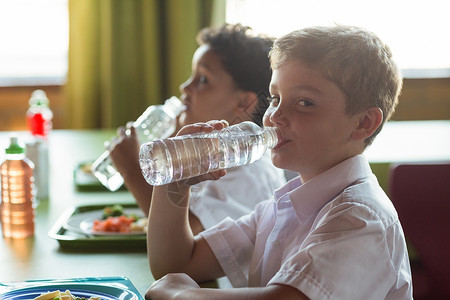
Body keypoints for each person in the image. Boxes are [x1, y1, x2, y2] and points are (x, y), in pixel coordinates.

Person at [145, 24, 413, 299]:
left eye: (305, 103)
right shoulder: (280, 209)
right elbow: (178, 262)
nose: (275, 115)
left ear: (363, 123)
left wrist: (181, 295)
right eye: (275, 98)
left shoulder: (361, 218)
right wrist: (174, 184)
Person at [108, 23, 286, 235]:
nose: (185, 87)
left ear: (244, 103)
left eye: (202, 80)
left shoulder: (249, 172)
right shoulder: (213, 150)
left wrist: (132, 171)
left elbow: (189, 238)